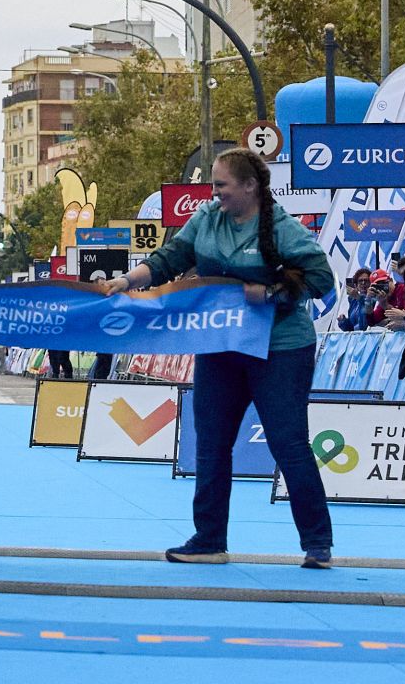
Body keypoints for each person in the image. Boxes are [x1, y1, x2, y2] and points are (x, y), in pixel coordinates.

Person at [100, 148, 334, 569]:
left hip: (279, 349)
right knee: (210, 444)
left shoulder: (283, 229)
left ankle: (317, 543)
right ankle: (209, 540)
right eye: (213, 185)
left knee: (289, 443)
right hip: (220, 345)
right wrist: (125, 281)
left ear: (250, 186)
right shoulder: (207, 218)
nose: (214, 193)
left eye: (222, 185)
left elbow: (321, 278)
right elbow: (168, 260)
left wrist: (271, 293)